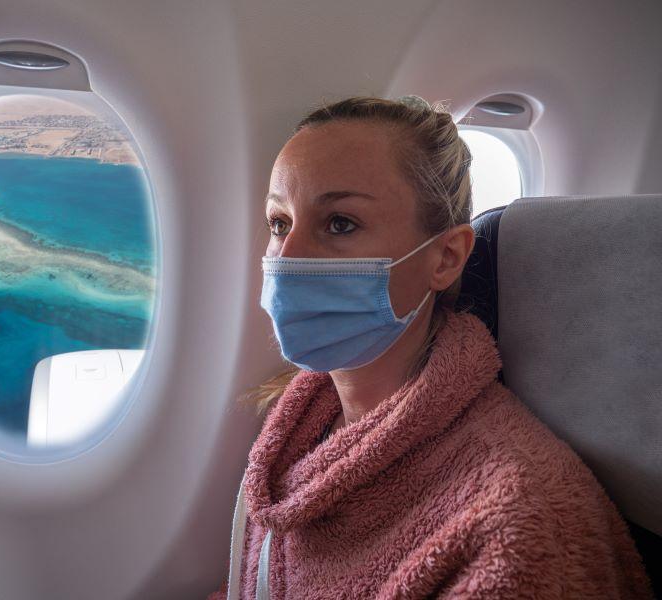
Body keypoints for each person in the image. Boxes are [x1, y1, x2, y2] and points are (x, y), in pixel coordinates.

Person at [207, 96, 652, 599]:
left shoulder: (513, 520)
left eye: (340, 223)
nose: (288, 259)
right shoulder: (302, 427)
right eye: (280, 223)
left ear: (445, 258)